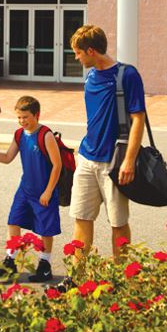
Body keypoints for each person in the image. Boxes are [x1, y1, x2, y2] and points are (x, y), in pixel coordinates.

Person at [68, 24, 146, 265]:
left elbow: (138, 119)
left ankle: (122, 277)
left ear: (91, 51)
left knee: (118, 223)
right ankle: (77, 276)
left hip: (114, 161)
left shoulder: (127, 75)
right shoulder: (90, 76)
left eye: (78, 52)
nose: (76, 57)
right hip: (87, 158)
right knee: (81, 217)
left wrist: (129, 160)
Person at [0, 95, 62, 283]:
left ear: (36, 115)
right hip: (25, 190)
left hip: (44, 191)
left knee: (45, 230)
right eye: (19, 118)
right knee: (13, 221)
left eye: (26, 117)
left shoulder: (45, 135)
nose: (22, 121)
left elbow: (57, 165)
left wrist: (48, 191)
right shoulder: (19, 134)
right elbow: (7, 158)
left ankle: (45, 266)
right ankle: (10, 261)